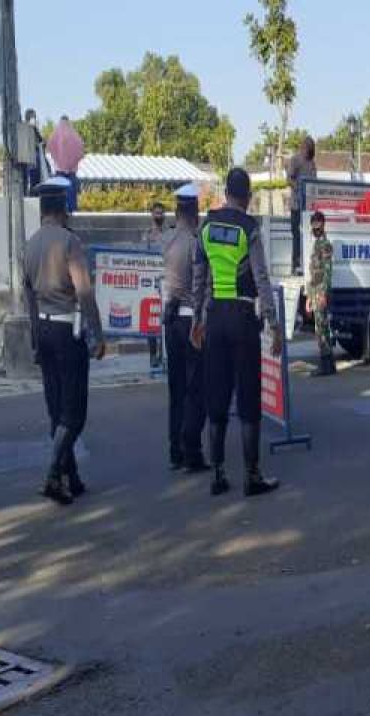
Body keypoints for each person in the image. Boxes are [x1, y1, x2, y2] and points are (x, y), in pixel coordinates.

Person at [190, 167, 282, 498]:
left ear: (226, 193)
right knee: (247, 398)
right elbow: (261, 278)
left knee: (216, 395)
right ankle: (252, 475)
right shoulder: (249, 228)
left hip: (214, 318)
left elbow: (198, 278)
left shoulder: (207, 225)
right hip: (243, 317)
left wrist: (196, 321)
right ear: (248, 197)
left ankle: (217, 474)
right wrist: (273, 323)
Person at [23, 177, 106, 505]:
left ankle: (72, 477)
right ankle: (53, 475)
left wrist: (32, 340)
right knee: (75, 412)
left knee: (56, 409)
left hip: (42, 331)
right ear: (63, 209)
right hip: (65, 333)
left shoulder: (29, 245)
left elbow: (28, 297)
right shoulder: (70, 243)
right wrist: (97, 335)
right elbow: (84, 292)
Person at [161, 184, 208, 473]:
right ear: (194, 213)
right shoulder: (195, 242)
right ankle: (193, 451)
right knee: (195, 388)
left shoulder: (166, 240)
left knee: (176, 388)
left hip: (170, 319)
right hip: (191, 320)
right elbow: (200, 286)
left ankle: (175, 450)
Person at [307, 210, 336, 377]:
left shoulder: (325, 244)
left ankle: (326, 366)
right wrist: (310, 297)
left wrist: (323, 294)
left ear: (323, 224)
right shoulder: (316, 244)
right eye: (313, 224)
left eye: (317, 224)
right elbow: (314, 274)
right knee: (321, 328)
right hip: (316, 292)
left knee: (322, 329)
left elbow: (327, 271)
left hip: (321, 292)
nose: (315, 227)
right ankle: (328, 365)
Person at [144, 200, 170, 369]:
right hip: (150, 282)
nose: (158, 216)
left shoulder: (169, 234)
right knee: (151, 319)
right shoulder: (147, 235)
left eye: (161, 213)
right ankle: (153, 354)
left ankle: (163, 353)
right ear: (152, 215)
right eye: (156, 213)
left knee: (164, 319)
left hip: (166, 280)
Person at [286, 136, 317, 276]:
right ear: (303, 147)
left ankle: (307, 265)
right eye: (307, 148)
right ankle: (295, 265)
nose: (308, 152)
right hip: (296, 205)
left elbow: (315, 183)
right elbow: (289, 179)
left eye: (311, 150)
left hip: (308, 208)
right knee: (296, 236)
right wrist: (299, 189)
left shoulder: (312, 164)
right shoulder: (295, 160)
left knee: (309, 236)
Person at [47, 116, 84, 212]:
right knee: (72, 201)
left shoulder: (55, 135)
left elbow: (50, 145)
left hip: (59, 173)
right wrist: (71, 164)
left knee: (60, 200)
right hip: (72, 174)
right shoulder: (75, 136)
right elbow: (80, 151)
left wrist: (58, 160)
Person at [23, 109, 49, 194]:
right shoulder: (26, 128)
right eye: (33, 117)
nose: (35, 119)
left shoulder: (34, 129)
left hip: (34, 161)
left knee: (36, 183)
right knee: (33, 183)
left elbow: (41, 141)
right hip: (31, 161)